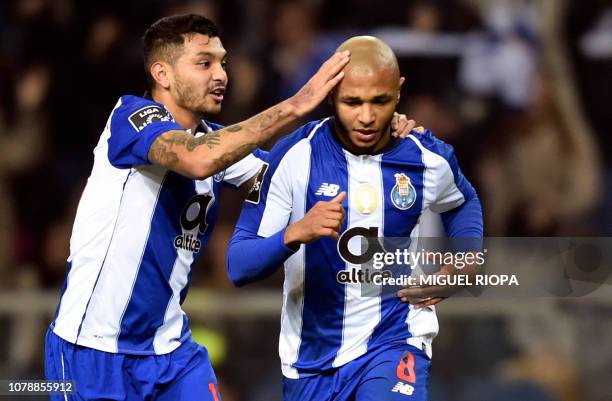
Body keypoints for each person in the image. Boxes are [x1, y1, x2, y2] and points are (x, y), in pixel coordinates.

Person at [45, 15, 422, 401]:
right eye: (204, 63)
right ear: (163, 73)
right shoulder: (129, 118)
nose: (221, 74)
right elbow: (198, 159)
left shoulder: (218, 145)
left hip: (171, 352)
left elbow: (307, 179)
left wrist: (382, 143)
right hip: (92, 351)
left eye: (222, 62)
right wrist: (295, 105)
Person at [227, 36, 483, 401]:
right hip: (310, 361)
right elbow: (238, 266)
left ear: (398, 93)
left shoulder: (427, 156)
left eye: (380, 101)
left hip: (394, 339)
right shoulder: (294, 156)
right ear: (331, 94)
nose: (366, 116)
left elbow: (463, 199)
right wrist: (297, 232)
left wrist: (465, 262)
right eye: (352, 102)